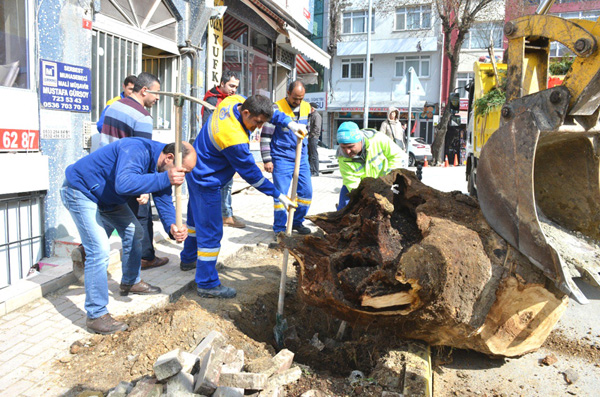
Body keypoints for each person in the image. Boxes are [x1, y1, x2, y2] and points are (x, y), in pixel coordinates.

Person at [60, 138, 196, 334]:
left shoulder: (162, 169)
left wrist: (172, 227)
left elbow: (164, 201)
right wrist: (166, 179)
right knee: (98, 250)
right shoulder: (136, 149)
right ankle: (96, 315)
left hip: (108, 198)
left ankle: (130, 281)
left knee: (135, 232)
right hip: (81, 190)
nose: (182, 176)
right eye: (183, 170)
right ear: (169, 158)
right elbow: (124, 184)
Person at [181, 94, 305, 298]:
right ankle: (207, 283)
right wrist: (277, 194)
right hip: (207, 180)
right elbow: (253, 176)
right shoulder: (234, 138)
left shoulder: (232, 102)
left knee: (195, 222)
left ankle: (188, 259)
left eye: (262, 123)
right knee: (211, 233)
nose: (258, 127)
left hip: (195, 170)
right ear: (245, 113)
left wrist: (289, 122)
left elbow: (266, 109)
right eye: (256, 122)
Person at [99, 72, 169, 270]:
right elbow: (143, 153)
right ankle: (145, 258)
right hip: (129, 174)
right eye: (156, 94)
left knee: (108, 215)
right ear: (145, 90)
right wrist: (144, 187)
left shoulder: (114, 106)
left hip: (108, 171)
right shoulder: (143, 117)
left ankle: (87, 251)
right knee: (141, 216)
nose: (157, 99)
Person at [260, 81, 313, 236]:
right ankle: (280, 229)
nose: (298, 102)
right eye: (295, 98)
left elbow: (308, 130)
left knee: (306, 194)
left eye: (301, 98)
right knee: (281, 196)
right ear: (288, 93)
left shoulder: (306, 108)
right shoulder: (276, 108)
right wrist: (267, 159)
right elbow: (265, 136)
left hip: (301, 157)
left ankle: (296, 221)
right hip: (281, 158)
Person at [201, 71, 245, 229]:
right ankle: (215, 216)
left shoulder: (231, 100)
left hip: (226, 147)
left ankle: (225, 215)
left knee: (227, 184)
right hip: (214, 148)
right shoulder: (212, 100)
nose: (234, 89)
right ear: (221, 84)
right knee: (216, 184)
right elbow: (209, 124)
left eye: (236, 87)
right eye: (231, 86)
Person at [337, 121, 404, 210]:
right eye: (343, 147)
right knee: (345, 207)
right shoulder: (342, 157)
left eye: (350, 146)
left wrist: (390, 179)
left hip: (383, 182)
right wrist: (365, 199)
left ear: (360, 140)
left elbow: (397, 156)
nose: (347, 151)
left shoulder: (378, 139)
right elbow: (353, 184)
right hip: (360, 186)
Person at [307, 102, 322, 177]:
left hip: (313, 137)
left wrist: (310, 135)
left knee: (314, 155)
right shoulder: (310, 116)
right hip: (309, 137)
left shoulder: (316, 116)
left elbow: (316, 128)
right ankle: (310, 171)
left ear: (312, 108)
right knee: (309, 154)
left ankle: (315, 171)